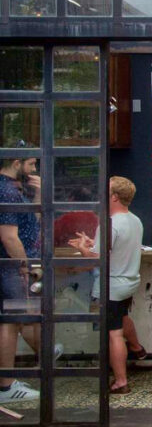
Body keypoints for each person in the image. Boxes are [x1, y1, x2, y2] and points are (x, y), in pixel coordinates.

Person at [68, 177, 143, 394]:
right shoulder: (135, 220)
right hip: (129, 282)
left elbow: (96, 260)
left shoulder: (109, 223)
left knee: (114, 334)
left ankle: (121, 382)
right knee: (122, 316)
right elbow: (115, 248)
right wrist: (94, 243)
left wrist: (84, 248)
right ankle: (138, 349)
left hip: (112, 285)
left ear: (114, 197)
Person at [0, 156, 47, 403]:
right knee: (11, 322)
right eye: (31, 164)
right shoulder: (7, 191)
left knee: (15, 320)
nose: (34, 169)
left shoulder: (13, 191)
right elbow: (10, 237)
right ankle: (6, 386)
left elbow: (28, 227)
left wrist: (38, 198)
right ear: (16, 163)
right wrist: (24, 266)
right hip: (11, 267)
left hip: (12, 265)